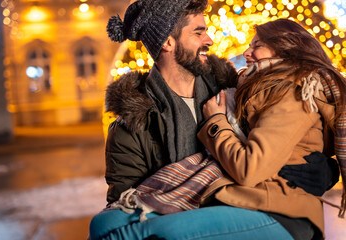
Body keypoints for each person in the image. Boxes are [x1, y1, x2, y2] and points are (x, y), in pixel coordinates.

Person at [89, 0, 339, 239]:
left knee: (132, 234)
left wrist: (318, 168)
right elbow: (126, 201)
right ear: (168, 42)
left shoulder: (231, 91)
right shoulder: (131, 126)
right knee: (104, 223)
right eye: (199, 33)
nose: (210, 40)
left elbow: (278, 145)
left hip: (241, 208)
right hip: (192, 207)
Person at [198, 18, 346, 240]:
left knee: (142, 232)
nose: (247, 53)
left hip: (276, 211)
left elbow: (250, 168)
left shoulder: (294, 91)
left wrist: (216, 122)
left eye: (257, 45)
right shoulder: (264, 89)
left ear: (288, 48)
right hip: (265, 205)